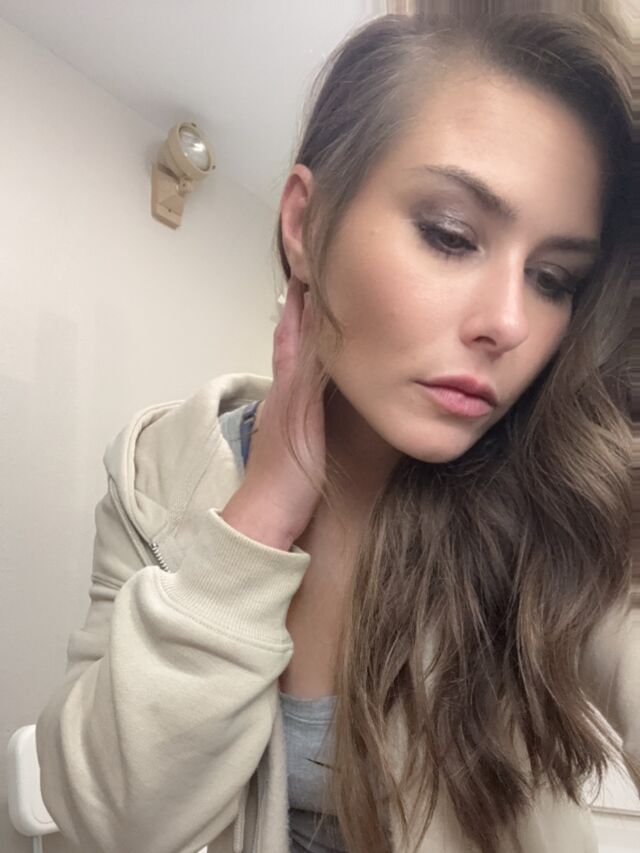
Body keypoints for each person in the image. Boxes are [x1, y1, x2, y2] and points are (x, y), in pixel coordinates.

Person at [35, 5, 639, 853]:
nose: (509, 322)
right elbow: (109, 819)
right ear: (305, 224)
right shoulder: (157, 474)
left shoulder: (563, 498)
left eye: (553, 278)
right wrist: (262, 513)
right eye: (451, 235)